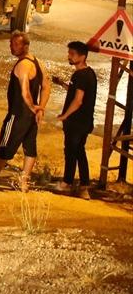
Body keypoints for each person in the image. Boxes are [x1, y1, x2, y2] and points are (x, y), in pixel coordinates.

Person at [0, 32, 50, 192]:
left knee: (4, 147)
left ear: (25, 46)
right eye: (11, 44)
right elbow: (47, 86)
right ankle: (24, 183)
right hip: (31, 117)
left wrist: (32, 106)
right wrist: (40, 108)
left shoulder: (22, 66)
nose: (11, 47)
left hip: (18, 114)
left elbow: (24, 92)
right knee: (30, 148)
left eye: (15, 44)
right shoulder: (38, 63)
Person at [52, 41, 97, 198]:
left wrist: (64, 116)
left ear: (82, 56)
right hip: (85, 122)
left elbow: (78, 100)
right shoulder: (89, 73)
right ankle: (83, 185)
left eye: (72, 54)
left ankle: (68, 183)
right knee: (78, 151)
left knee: (71, 151)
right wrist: (62, 84)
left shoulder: (80, 75)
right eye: (69, 53)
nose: (69, 56)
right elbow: (76, 91)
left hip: (76, 122)